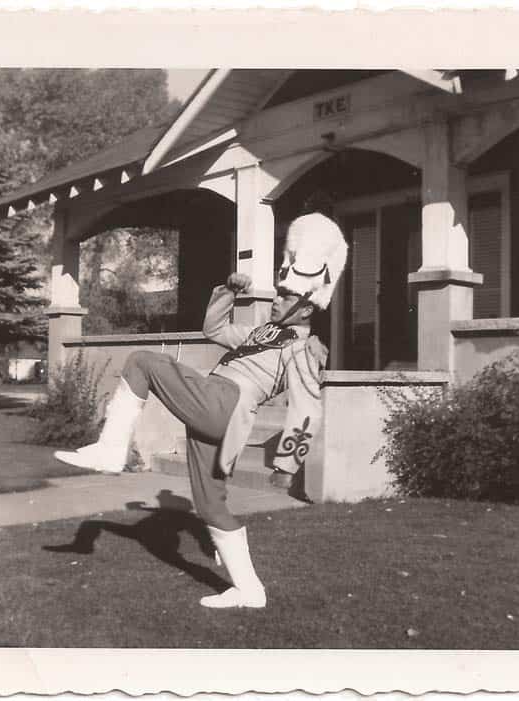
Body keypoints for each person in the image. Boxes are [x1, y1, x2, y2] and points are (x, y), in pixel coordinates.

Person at [54, 212, 348, 609]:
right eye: (279, 293)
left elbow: (308, 407)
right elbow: (214, 330)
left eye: (285, 297)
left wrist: (286, 466)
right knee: (210, 505)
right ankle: (250, 591)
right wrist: (228, 291)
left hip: (223, 402)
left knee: (142, 362)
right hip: (218, 420)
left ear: (308, 308)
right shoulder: (263, 332)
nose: (276, 299)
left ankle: (110, 449)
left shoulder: (305, 348)